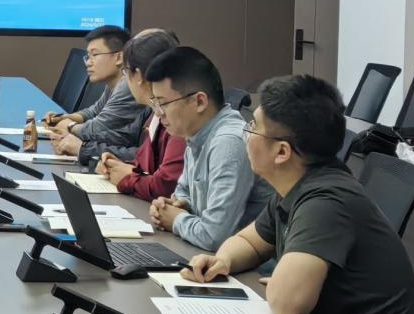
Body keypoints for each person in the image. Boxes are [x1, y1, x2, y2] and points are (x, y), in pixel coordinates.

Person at [183, 75, 414, 314]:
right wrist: (223, 261)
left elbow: (286, 303)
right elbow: (250, 242)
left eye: (253, 127)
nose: (246, 135)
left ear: (282, 152)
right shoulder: (298, 184)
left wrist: (284, 285)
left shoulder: (326, 201)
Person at [143, 46, 270, 251]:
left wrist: (175, 219)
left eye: (163, 103)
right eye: (154, 103)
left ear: (199, 101)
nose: (158, 113)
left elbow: (215, 236)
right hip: (207, 255)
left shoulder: (228, 142)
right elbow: (183, 192)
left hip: (246, 266)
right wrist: (177, 206)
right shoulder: (197, 132)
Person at [95, 29, 187, 201]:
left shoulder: (177, 117)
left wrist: (126, 178)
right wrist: (119, 166)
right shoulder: (155, 114)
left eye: (125, 72)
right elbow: (146, 167)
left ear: (138, 75)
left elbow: (165, 186)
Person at [45, 25, 141, 159]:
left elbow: (97, 128)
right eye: (88, 57)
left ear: (119, 57)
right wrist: (65, 118)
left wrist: (69, 126)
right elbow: (94, 112)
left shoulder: (128, 85)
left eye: (95, 55)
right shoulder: (114, 83)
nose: (88, 63)